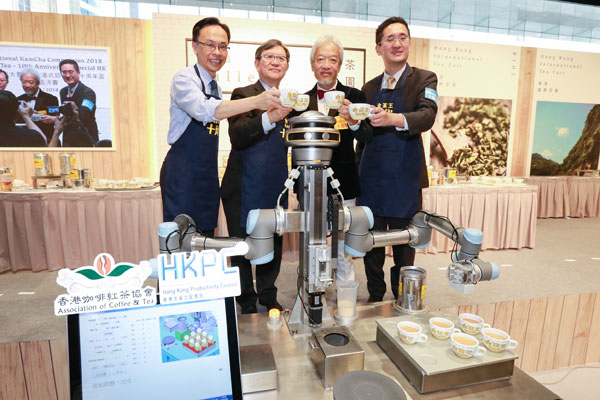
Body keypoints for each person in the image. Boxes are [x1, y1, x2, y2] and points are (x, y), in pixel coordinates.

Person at [160, 18, 280, 239]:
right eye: (210, 45)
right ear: (195, 47)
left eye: (223, 47)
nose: (217, 52)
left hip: (207, 175)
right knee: (180, 239)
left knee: (205, 238)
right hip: (183, 174)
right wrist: (256, 102)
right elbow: (203, 109)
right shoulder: (184, 78)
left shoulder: (215, 87)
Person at [349, 17, 438, 302]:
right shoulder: (369, 87)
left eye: (402, 37)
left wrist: (392, 118)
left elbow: (427, 116)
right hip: (371, 180)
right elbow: (363, 133)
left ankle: (403, 298)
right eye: (390, 39)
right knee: (371, 246)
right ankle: (375, 296)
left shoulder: (425, 79)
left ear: (409, 43)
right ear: (378, 48)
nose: (397, 44)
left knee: (405, 245)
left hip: (405, 179)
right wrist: (352, 122)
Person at [221, 39, 292, 314]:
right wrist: (269, 118)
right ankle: (246, 299)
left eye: (281, 58)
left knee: (273, 241)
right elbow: (238, 136)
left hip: (275, 185)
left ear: (286, 66)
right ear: (257, 63)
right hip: (242, 186)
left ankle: (267, 295)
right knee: (240, 245)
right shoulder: (242, 95)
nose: (275, 62)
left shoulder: (290, 100)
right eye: (269, 56)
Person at [301, 35, 371, 282]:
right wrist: (298, 186)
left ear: (340, 65)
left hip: (344, 183)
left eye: (332, 60)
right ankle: (313, 293)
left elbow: (367, 134)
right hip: (310, 184)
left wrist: (352, 120)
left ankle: (345, 300)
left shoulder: (355, 95)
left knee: (342, 247)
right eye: (321, 59)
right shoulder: (303, 101)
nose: (326, 65)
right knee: (312, 242)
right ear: (312, 64)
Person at [58, 59, 99, 143]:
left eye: (71, 72)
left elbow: (85, 115)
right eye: (64, 72)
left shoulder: (88, 92)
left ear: (78, 72)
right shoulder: (63, 91)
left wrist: (75, 109)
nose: (67, 75)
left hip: (85, 134)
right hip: (68, 134)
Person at [16, 68, 59, 143]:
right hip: (24, 140)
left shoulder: (51, 99)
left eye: (31, 82)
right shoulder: (18, 100)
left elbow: (51, 119)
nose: (27, 85)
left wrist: (32, 115)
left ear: (38, 83)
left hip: (46, 140)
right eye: (24, 82)